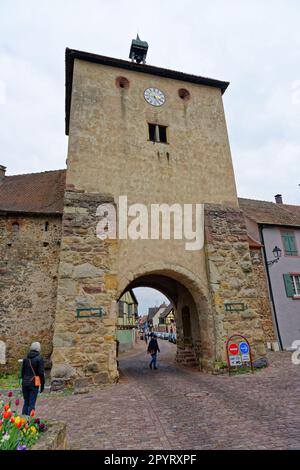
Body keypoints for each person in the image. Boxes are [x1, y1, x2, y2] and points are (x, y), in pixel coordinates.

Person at [21, 342, 45, 416]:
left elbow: (22, 372)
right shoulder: (39, 358)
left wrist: (24, 380)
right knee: (31, 403)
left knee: (26, 402)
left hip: (25, 383)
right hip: (34, 383)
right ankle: (29, 422)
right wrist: (42, 385)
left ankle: (23, 421)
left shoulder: (25, 358)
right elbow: (41, 373)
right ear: (38, 349)